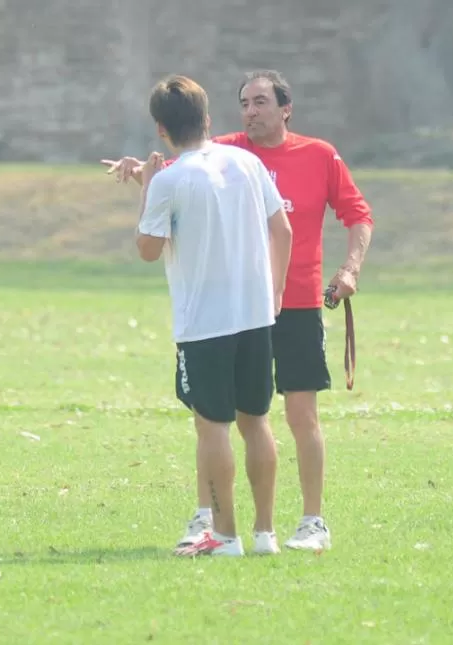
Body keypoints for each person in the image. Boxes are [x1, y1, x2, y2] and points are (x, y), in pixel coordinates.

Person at [105, 69, 373, 552]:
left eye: (260, 102)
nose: (250, 111)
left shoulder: (318, 155)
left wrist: (349, 270)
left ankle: (290, 525)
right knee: (246, 419)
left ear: (285, 108)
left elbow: (357, 215)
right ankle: (233, 524)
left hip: (270, 307)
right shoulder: (238, 156)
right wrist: (145, 169)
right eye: (244, 103)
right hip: (253, 311)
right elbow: (193, 173)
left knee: (264, 419)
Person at [132, 73, 294, 557]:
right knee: (258, 421)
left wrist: (145, 189)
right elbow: (282, 229)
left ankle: (224, 535)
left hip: (205, 322)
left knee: (213, 427)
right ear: (207, 119)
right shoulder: (247, 162)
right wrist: (276, 292)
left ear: (162, 130)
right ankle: (265, 534)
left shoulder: (168, 180)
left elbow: (147, 249)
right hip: (255, 313)